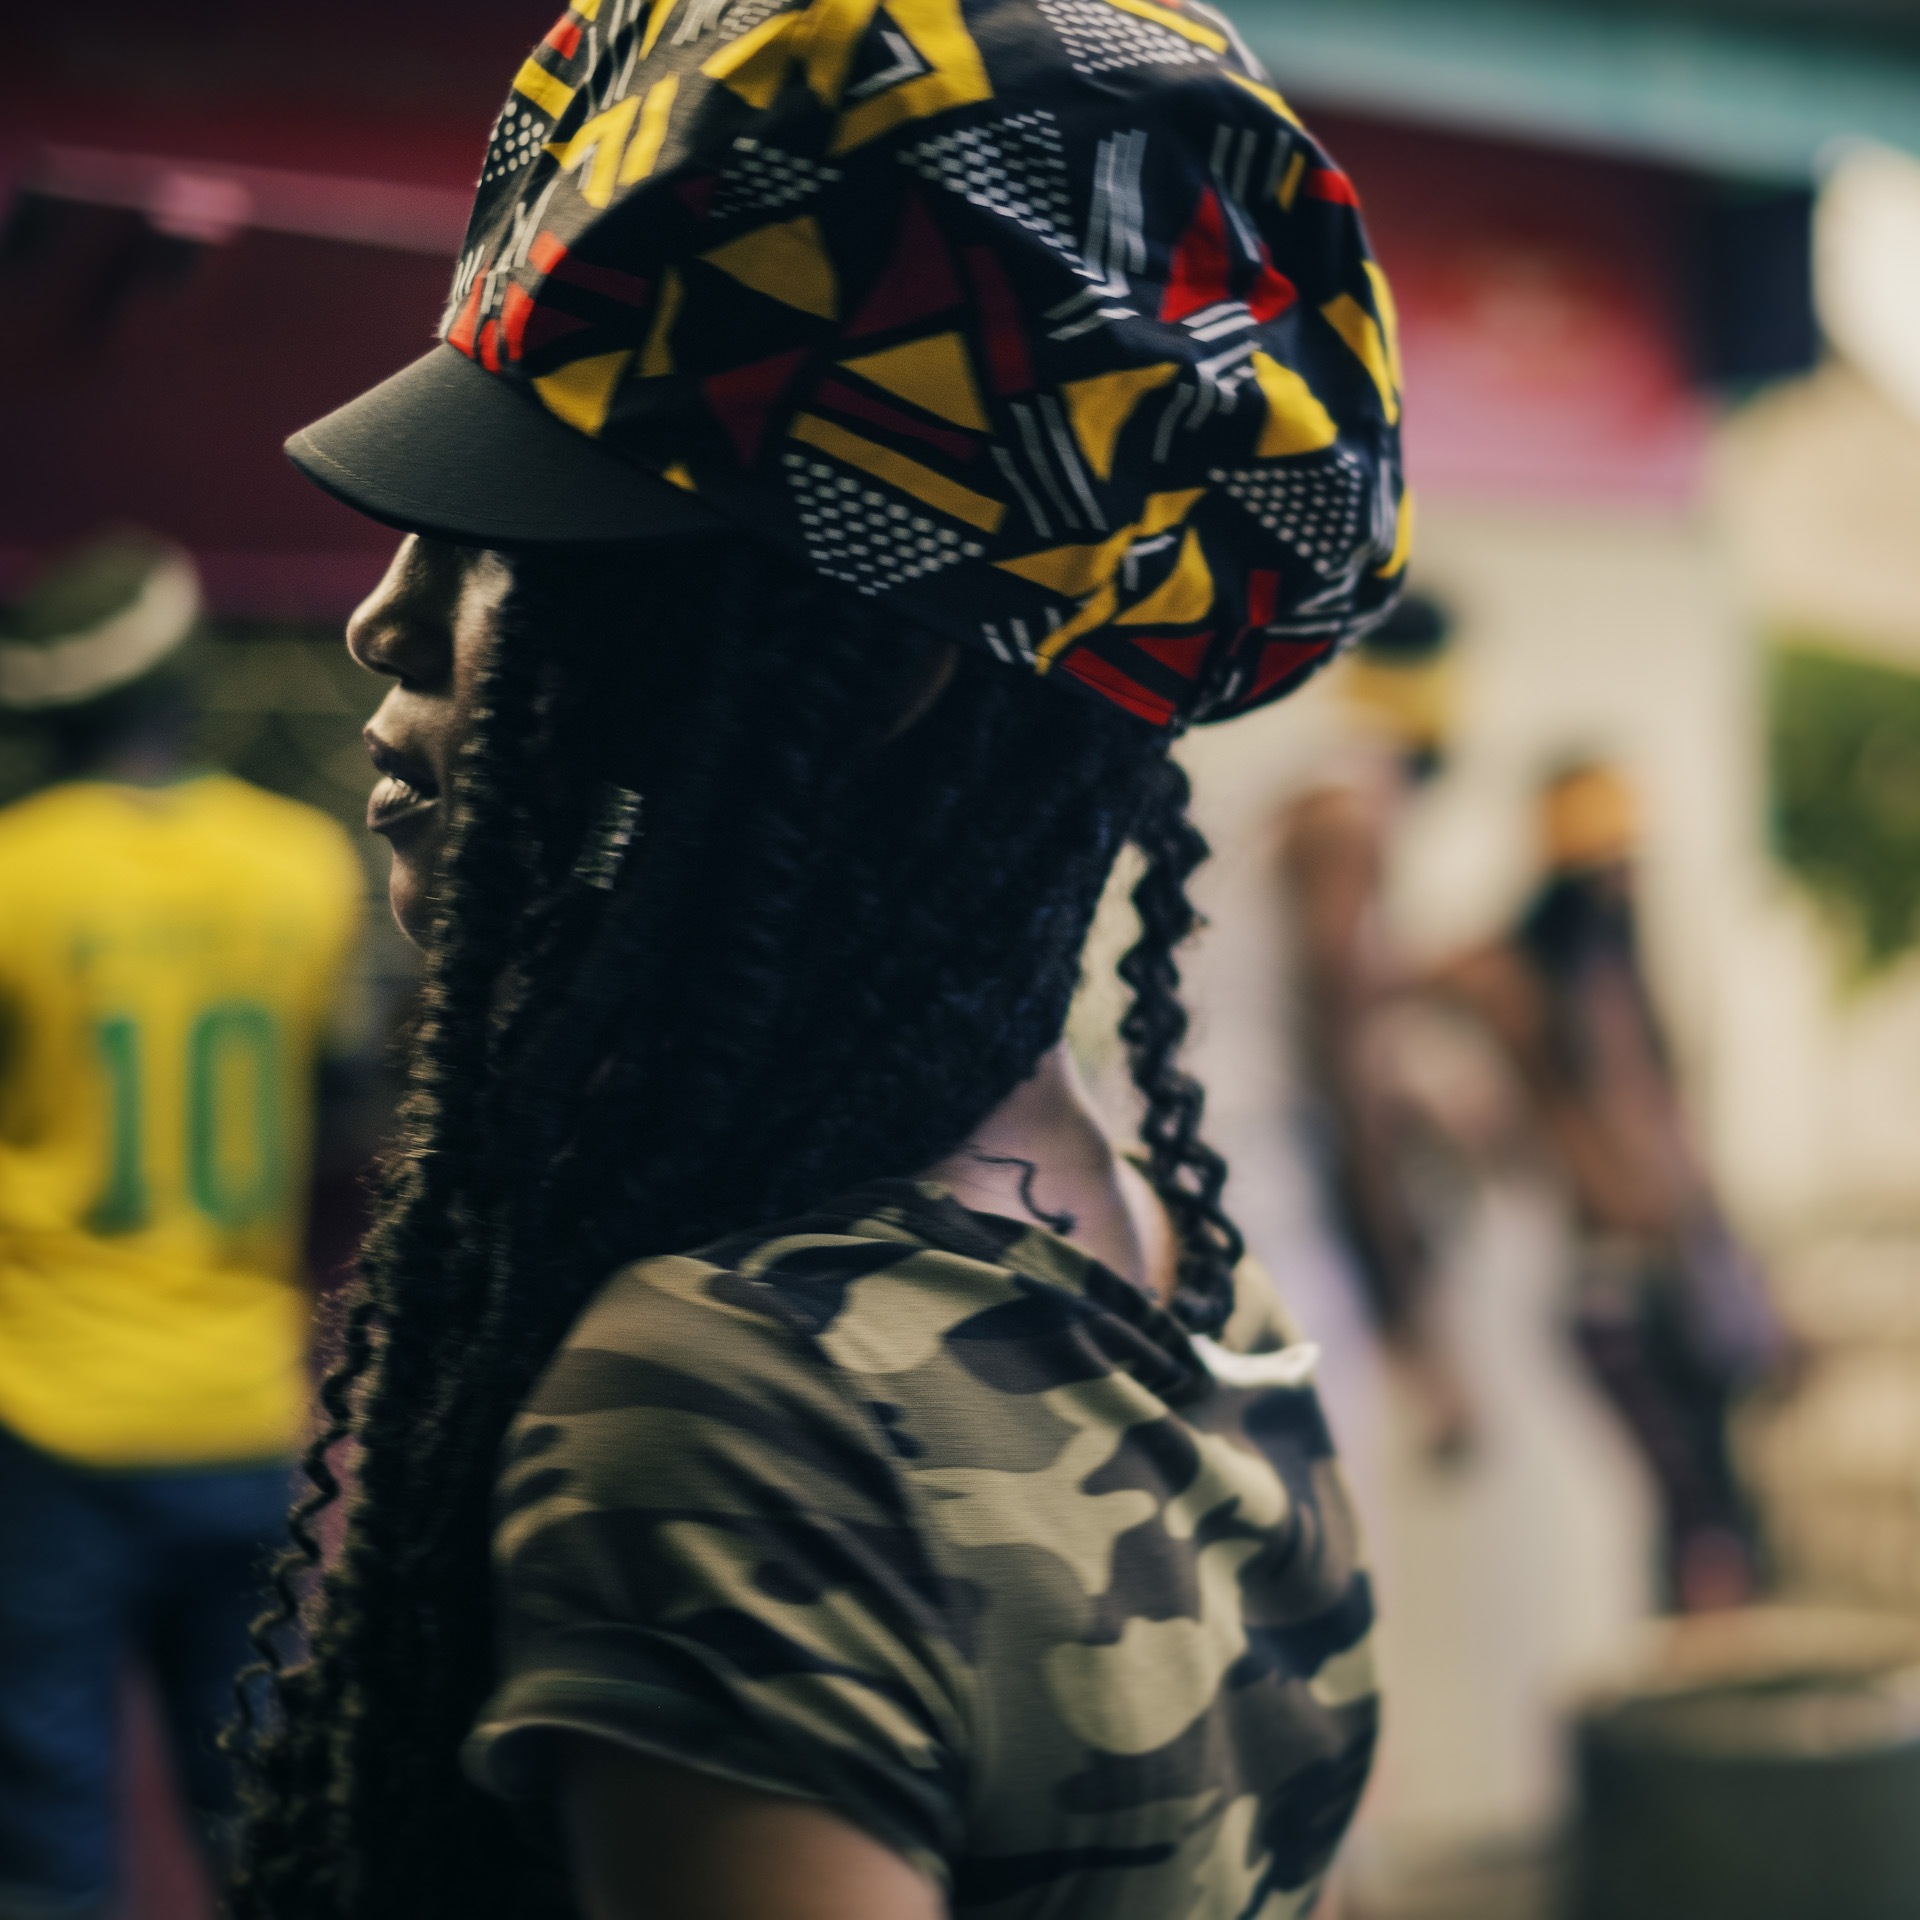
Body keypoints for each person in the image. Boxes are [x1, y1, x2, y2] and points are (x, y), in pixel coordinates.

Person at [229, 1, 1410, 1913]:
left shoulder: (730, 1409)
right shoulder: (1167, 1251)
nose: (386, 617)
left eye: (503, 535)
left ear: (888, 666)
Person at [0, 531, 363, 1917]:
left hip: (41, 1409)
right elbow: (338, 1102)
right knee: (265, 1821)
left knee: (44, 1831)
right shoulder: (301, 863)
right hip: (237, 1403)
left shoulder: (13, 873)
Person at [1429, 762, 1789, 1610]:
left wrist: (1744, 1271)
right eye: (1604, 861)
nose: (1622, 878)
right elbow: (1414, 981)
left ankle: (1712, 1681)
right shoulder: (1517, 980)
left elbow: (1669, 1133)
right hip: (1607, 1280)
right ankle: (1702, 1691)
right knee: (1694, 1513)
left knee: (1718, 1508)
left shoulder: (1620, 981)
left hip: (1678, 1268)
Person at [1276, 593, 1476, 1460]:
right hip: (1265, 1205)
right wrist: (1416, 1330)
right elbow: (1348, 1071)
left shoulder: (1321, 796)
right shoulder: (1350, 813)